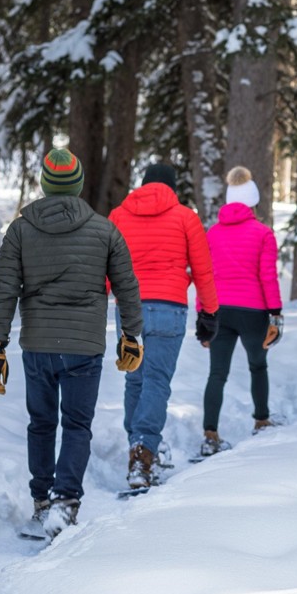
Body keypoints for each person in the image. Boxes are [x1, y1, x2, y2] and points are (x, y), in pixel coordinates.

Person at [0, 146, 143, 538]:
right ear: (78, 184)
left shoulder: (20, 230)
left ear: (44, 184)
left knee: (41, 423)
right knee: (76, 425)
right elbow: (127, 287)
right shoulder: (104, 229)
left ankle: (42, 502)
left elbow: (6, 289)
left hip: (37, 343)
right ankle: (65, 501)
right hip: (84, 344)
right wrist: (131, 334)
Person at [108, 162, 220, 489]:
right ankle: (143, 451)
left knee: (135, 378)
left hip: (129, 308)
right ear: (172, 187)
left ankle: (139, 444)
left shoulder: (118, 215)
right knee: (156, 380)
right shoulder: (185, 217)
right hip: (169, 308)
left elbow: (106, 263)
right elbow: (203, 271)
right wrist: (209, 313)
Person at [202, 166, 284, 444]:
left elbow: (206, 274)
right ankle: (261, 419)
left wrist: (204, 314)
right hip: (254, 312)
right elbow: (267, 276)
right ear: (252, 201)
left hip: (221, 311)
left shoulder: (212, 233)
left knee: (217, 373)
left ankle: (210, 433)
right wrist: (276, 313)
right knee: (258, 366)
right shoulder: (263, 233)